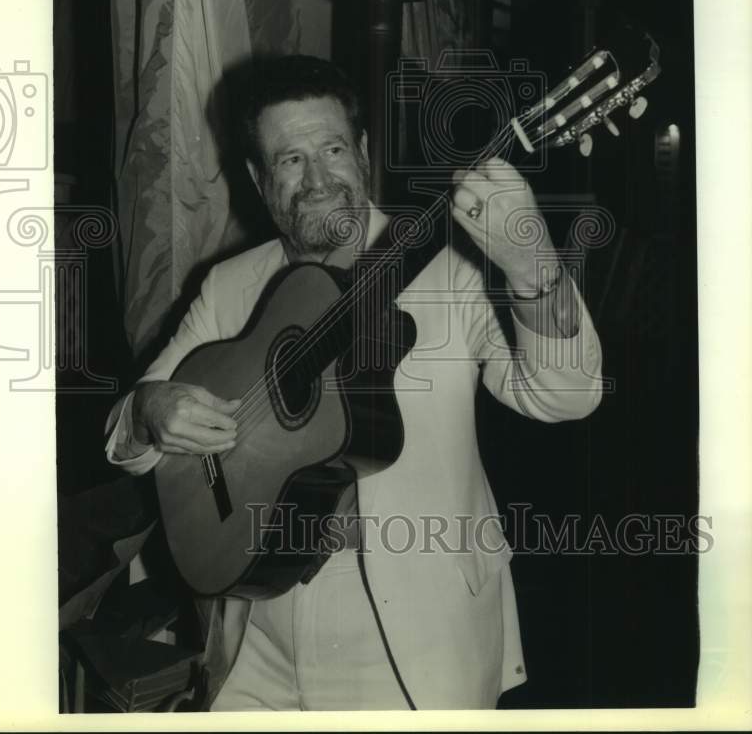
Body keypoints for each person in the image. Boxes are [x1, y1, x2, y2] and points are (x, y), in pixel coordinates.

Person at [105, 55, 603, 711]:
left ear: (363, 153)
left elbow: (568, 395)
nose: (316, 179)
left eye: (333, 148)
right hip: (257, 629)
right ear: (258, 180)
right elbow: (124, 437)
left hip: (414, 638)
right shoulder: (230, 286)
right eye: (289, 160)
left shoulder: (453, 269)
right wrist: (150, 407)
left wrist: (535, 266)